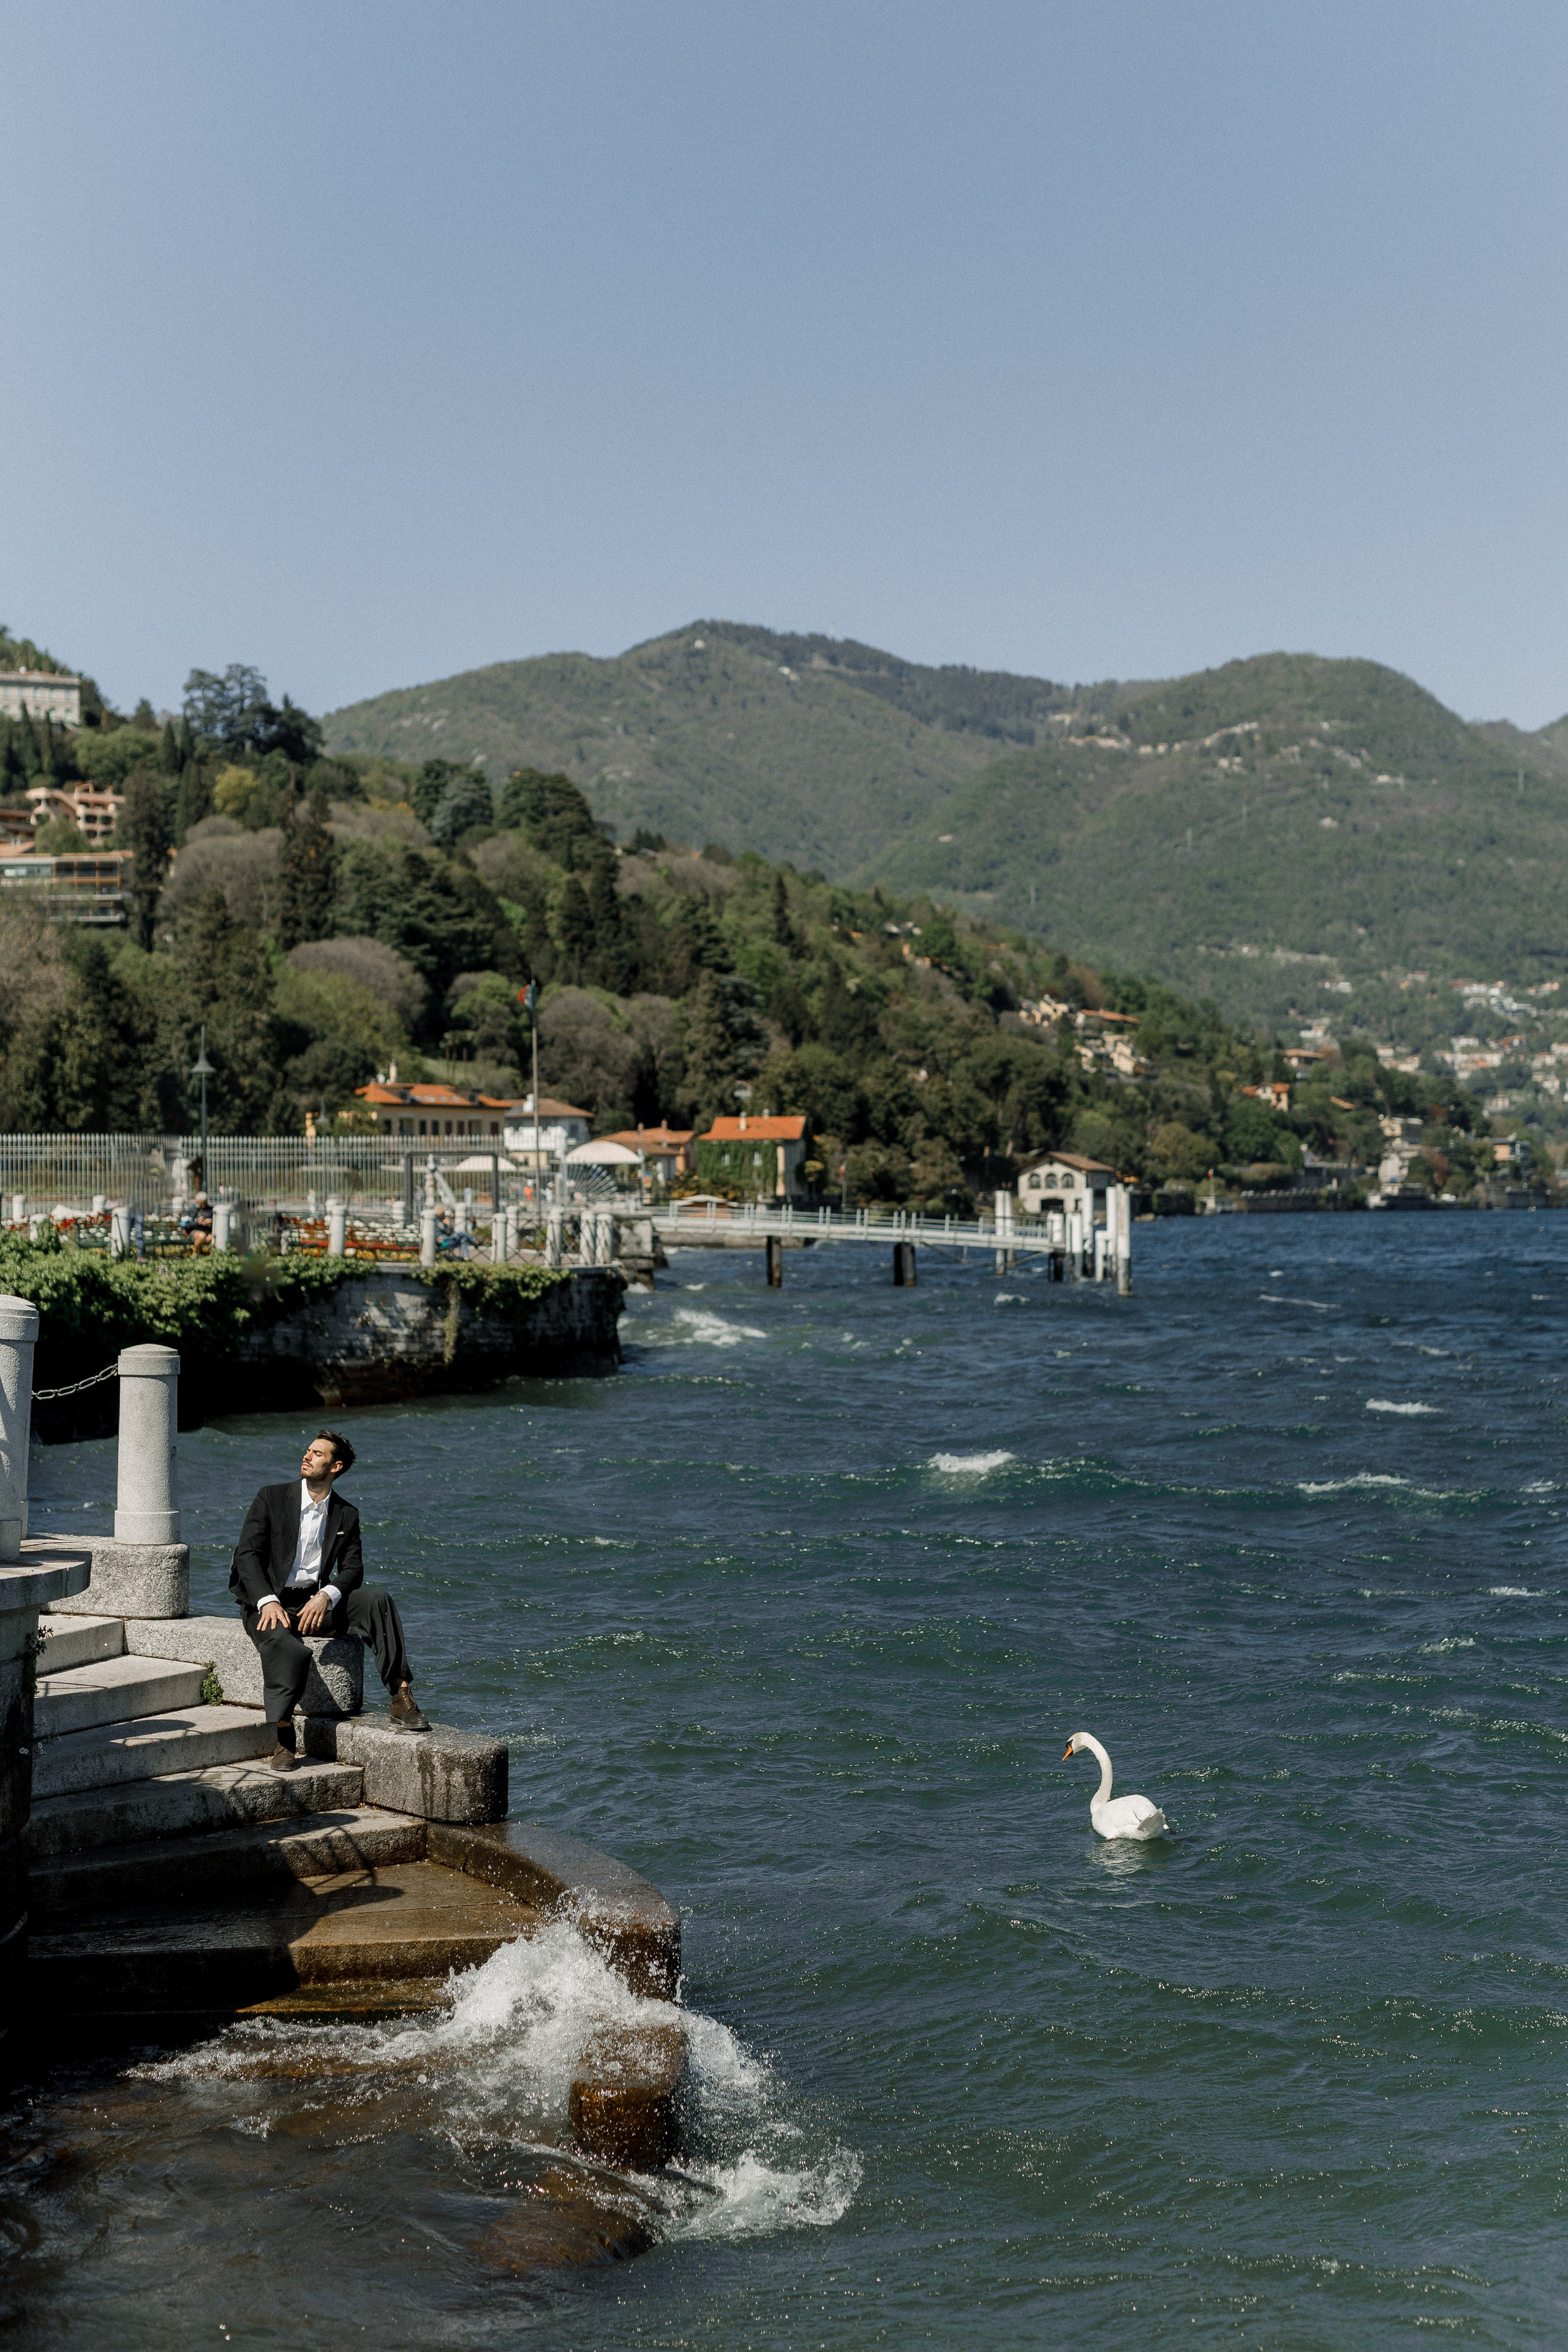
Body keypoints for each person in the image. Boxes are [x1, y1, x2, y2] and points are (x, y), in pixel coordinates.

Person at [229, 1430, 431, 1774]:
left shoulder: (346, 1513)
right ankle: (283, 1733)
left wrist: (326, 1595)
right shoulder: (270, 1498)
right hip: (268, 1602)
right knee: (288, 1648)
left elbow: (353, 1570)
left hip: (314, 1603)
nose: (307, 1456)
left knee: (377, 1601)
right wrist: (268, 1601)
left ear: (336, 1467)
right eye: (308, 1450)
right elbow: (247, 1556)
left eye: (318, 1454)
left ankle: (401, 1696)